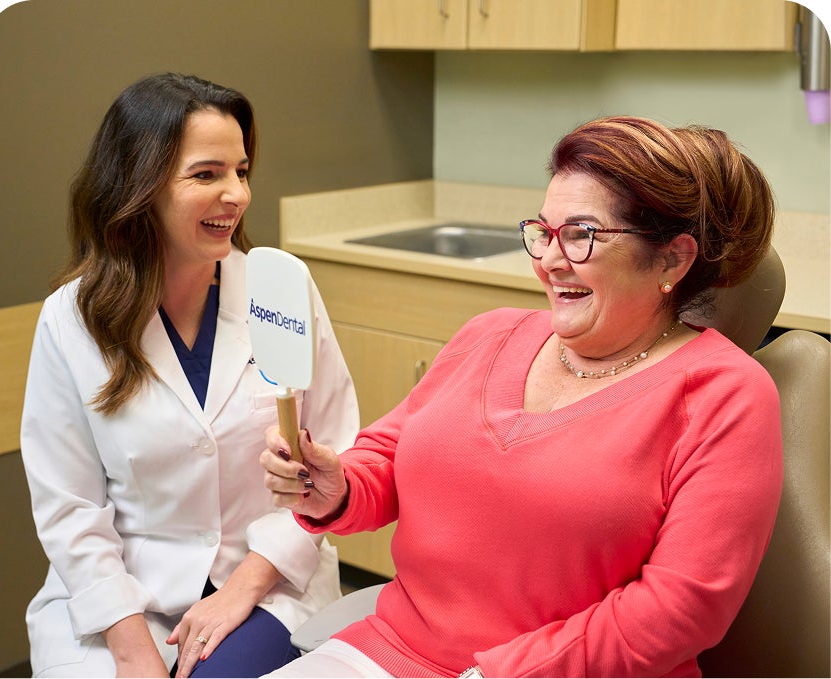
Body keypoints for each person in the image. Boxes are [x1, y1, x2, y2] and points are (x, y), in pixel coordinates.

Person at [260, 116, 784, 678]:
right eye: (543, 231)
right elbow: (387, 456)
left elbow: (681, 609)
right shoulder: (491, 334)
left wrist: (501, 672)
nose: (549, 260)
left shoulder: (725, 396)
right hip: (388, 652)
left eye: (582, 235)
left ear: (673, 259)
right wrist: (338, 488)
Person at [20, 72, 360, 678]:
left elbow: (340, 450)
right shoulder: (71, 321)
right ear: (138, 188)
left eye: (242, 171)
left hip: (264, 580)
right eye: (206, 175)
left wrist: (240, 589)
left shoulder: (279, 290)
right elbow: (70, 506)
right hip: (124, 599)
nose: (236, 194)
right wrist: (132, 651)